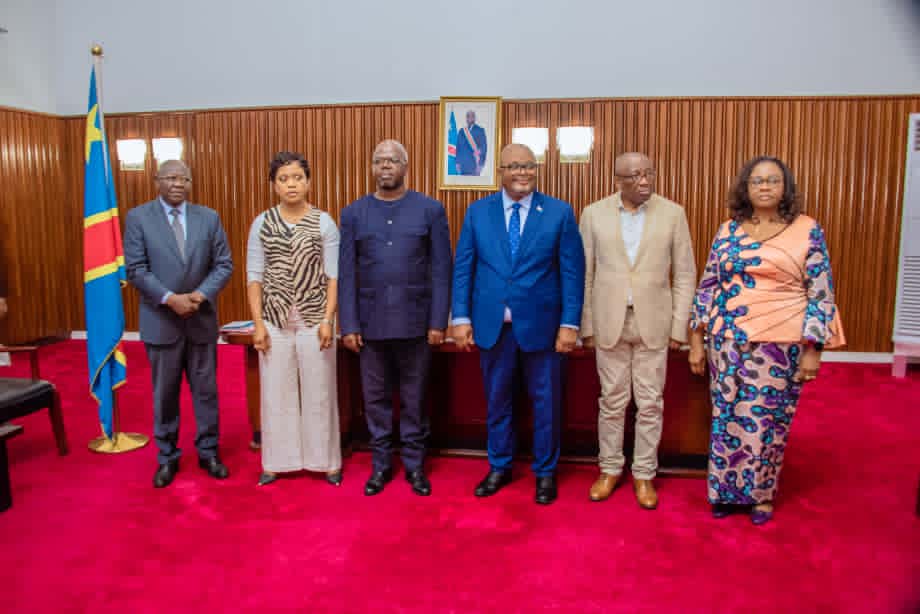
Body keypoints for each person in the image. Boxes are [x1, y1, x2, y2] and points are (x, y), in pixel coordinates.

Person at [688, 156, 845, 525]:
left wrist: (813, 349)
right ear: (746, 187)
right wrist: (696, 337)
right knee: (726, 416)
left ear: (785, 187)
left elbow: (820, 291)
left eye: (773, 180)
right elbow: (709, 284)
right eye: (757, 180)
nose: (764, 186)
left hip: (780, 343)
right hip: (726, 340)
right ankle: (724, 492)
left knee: (768, 421)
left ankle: (760, 495)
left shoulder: (807, 229)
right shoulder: (728, 229)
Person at [452, 143, 585, 505]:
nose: (522, 172)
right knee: (497, 401)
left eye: (528, 166)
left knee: (547, 405)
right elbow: (464, 267)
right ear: (501, 171)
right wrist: (460, 317)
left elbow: (573, 273)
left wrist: (570, 323)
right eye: (514, 166)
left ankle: (545, 473)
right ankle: (499, 466)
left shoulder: (558, 212)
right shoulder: (478, 212)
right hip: (492, 327)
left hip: (544, 328)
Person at [580, 152, 697, 509]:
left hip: (655, 322)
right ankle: (609, 469)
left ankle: (644, 473)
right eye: (634, 176)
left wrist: (679, 326)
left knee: (650, 403)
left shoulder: (673, 214)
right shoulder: (593, 214)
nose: (643, 181)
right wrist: (587, 324)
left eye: (648, 173)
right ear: (618, 180)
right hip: (608, 321)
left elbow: (685, 274)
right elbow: (584, 274)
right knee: (611, 401)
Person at [338, 140, 452, 497]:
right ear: (372, 168)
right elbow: (347, 273)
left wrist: (438, 322)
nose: (385, 166)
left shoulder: (430, 210)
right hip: (370, 326)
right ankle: (381, 465)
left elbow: (441, 270)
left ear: (405, 166)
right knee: (375, 400)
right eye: (378, 160)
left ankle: (415, 466)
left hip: (416, 324)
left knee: (415, 399)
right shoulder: (353, 213)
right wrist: (349, 324)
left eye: (392, 160)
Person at [124, 159, 233, 488]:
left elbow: (224, 264)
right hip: (161, 321)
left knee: (206, 392)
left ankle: (208, 451)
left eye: (183, 178)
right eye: (170, 178)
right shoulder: (138, 218)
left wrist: (198, 296)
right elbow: (136, 269)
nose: (177, 184)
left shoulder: (209, 217)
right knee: (165, 394)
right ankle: (167, 456)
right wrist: (171, 299)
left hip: (201, 319)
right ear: (157, 180)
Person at [246, 152, 342, 487]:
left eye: (298, 178)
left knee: (320, 390)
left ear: (308, 182)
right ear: (274, 185)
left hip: (316, 318)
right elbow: (254, 276)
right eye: (284, 179)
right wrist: (258, 324)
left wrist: (328, 319)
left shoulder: (324, 222)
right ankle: (277, 462)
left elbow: (333, 276)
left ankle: (326, 461)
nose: (291, 184)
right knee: (275, 391)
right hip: (274, 318)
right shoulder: (262, 223)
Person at [455, 110, 488, 176]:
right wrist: (457, 163)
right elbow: (458, 148)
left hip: (475, 164)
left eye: (472, 116)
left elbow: (484, 148)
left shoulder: (480, 130)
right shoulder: (461, 131)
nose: (470, 118)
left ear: (474, 118)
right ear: (466, 118)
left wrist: (480, 164)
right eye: (468, 116)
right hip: (463, 165)